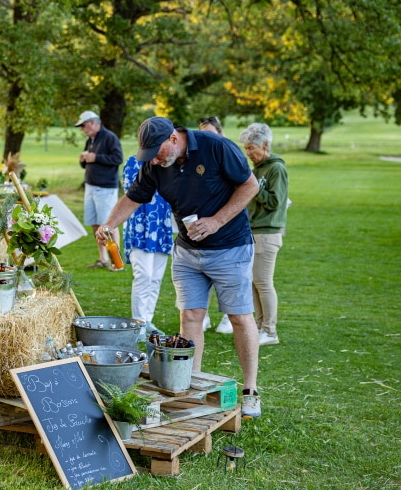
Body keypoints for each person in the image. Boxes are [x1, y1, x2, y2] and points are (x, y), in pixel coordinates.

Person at [96, 116, 263, 418]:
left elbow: (250, 186)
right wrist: (109, 224)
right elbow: (134, 197)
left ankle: (250, 390)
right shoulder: (155, 164)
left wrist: (216, 221)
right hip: (187, 251)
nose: (155, 161)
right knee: (190, 316)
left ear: (173, 139)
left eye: (157, 153)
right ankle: (191, 386)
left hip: (230, 247)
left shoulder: (216, 147)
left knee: (239, 317)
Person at [239, 123, 289, 347]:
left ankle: (270, 330)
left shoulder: (275, 168)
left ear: (265, 145)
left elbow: (276, 202)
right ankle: (260, 327)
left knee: (263, 282)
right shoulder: (257, 169)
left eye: (252, 148)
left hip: (268, 232)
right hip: (254, 230)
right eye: (246, 148)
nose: (248, 153)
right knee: (253, 282)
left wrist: (254, 188)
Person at [122, 155, 174, 335]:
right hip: (141, 224)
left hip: (161, 224)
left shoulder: (169, 162)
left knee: (156, 277)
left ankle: (148, 320)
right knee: (144, 275)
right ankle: (138, 323)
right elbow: (130, 195)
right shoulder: (134, 162)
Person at [197, 116, 232, 334]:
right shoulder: (198, 158)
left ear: (220, 134)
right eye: (203, 134)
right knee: (201, 272)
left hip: (226, 227)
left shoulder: (229, 154)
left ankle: (229, 316)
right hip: (201, 224)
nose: (206, 138)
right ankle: (204, 315)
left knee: (227, 274)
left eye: (210, 133)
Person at [76, 110, 124, 270]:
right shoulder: (91, 139)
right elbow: (87, 163)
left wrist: (95, 157)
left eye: (83, 125)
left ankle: (116, 261)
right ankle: (103, 258)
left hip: (105, 188)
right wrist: (83, 160)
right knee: (95, 223)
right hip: (90, 186)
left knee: (109, 224)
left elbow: (118, 158)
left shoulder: (110, 137)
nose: (82, 129)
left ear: (93, 123)